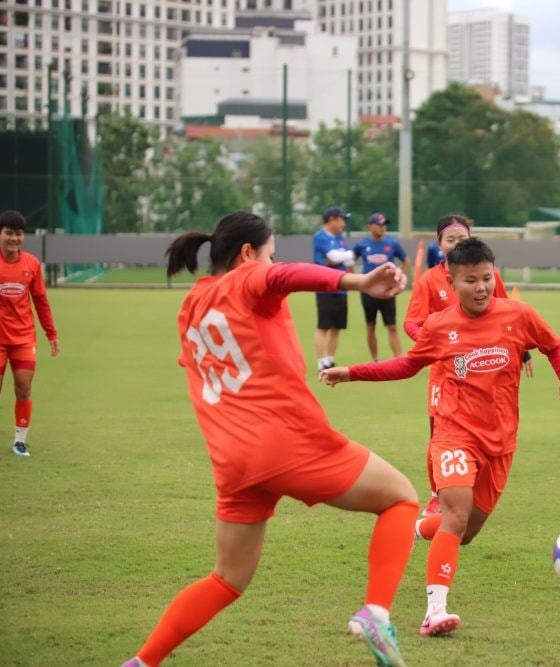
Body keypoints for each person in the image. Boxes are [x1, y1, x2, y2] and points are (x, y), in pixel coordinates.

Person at [119, 212, 418, 667]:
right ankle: (376, 613)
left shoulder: (192, 306)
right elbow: (286, 276)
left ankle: (141, 663)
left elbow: (205, 364)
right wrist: (357, 283)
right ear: (246, 254)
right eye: (270, 253)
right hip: (284, 439)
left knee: (227, 579)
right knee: (401, 499)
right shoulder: (246, 279)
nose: (273, 262)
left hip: (232, 459)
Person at [321, 237, 560, 639]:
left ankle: (416, 529)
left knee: (466, 531)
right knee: (457, 514)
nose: (480, 287)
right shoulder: (441, 325)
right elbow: (408, 365)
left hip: (501, 440)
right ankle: (434, 611)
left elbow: (555, 347)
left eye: (487, 278)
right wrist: (351, 371)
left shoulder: (519, 315)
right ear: (453, 282)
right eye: (470, 280)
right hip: (454, 432)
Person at [403, 214, 530, 517]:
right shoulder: (429, 280)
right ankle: (437, 493)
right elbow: (411, 321)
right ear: (440, 244)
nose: (457, 243)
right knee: (440, 433)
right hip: (445, 370)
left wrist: (523, 352)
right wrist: (433, 343)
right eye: (451, 239)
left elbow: (506, 315)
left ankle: (466, 487)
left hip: (483, 367)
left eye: (462, 238)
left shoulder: (489, 276)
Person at [0, 210, 59, 457]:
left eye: (19, 234)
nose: (14, 238)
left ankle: (20, 441)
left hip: (24, 338)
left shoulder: (31, 264)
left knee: (23, 387)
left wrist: (51, 333)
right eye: (9, 233)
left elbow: (40, 300)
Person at [352, 213, 409, 361]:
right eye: (379, 224)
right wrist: (355, 280)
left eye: (385, 224)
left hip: (387, 291)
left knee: (392, 326)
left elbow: (406, 260)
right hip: (368, 291)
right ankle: (375, 360)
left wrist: (399, 275)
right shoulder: (362, 244)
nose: (383, 227)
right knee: (371, 326)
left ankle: (399, 359)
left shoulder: (392, 244)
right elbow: (350, 261)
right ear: (370, 227)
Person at [313, 205, 355, 371]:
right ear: (332, 219)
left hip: (341, 286)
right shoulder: (320, 236)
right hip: (325, 287)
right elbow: (334, 257)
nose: (343, 224)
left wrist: (343, 258)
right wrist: (347, 255)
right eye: (342, 219)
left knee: (337, 326)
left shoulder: (341, 238)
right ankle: (320, 361)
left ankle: (330, 359)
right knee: (323, 325)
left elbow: (345, 260)